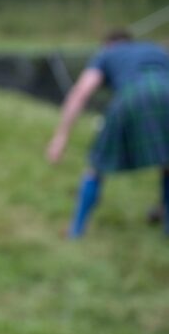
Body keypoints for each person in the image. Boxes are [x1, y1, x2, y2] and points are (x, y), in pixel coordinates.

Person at [47, 29, 169, 237]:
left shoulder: (106, 55)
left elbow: (81, 92)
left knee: (96, 168)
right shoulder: (156, 50)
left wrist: (61, 136)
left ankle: (76, 231)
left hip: (131, 97)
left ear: (108, 45)